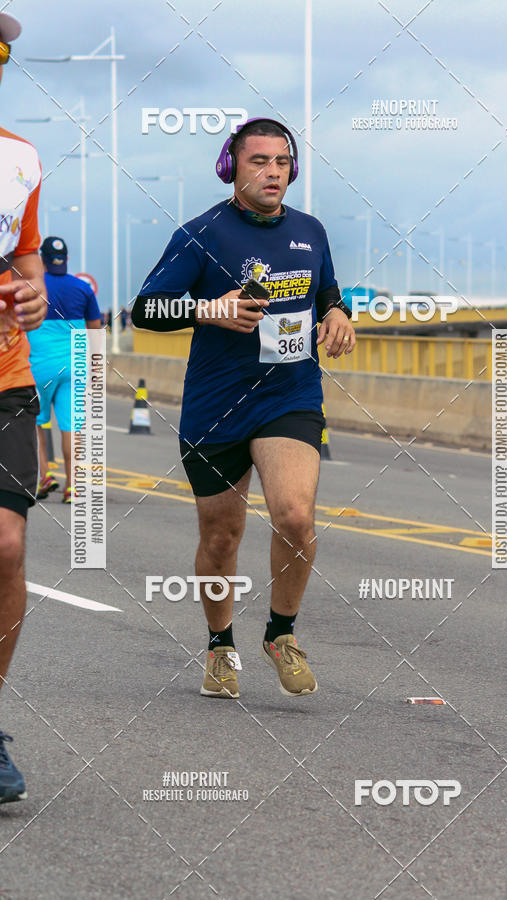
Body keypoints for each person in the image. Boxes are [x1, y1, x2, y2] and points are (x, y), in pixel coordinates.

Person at [132, 117, 356, 699]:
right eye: (258, 161)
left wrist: (336, 312)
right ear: (231, 168)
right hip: (216, 406)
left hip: (290, 394)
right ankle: (219, 645)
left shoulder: (311, 230)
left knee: (295, 516)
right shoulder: (200, 234)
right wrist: (210, 309)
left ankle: (281, 634)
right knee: (221, 537)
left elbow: (325, 288)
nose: (272, 173)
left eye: (282, 162)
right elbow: (145, 311)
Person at [0, 10, 47, 803]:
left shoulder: (19, 160)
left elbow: (25, 252)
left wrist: (34, 291)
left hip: (6, 379)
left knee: (6, 550)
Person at [28, 236, 102, 503]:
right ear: (66, 259)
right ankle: (73, 486)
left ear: (41, 259)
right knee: (71, 427)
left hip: (39, 366)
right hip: (75, 366)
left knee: (36, 423)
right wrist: (95, 368)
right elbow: (95, 331)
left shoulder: (33, 286)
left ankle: (44, 475)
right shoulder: (83, 289)